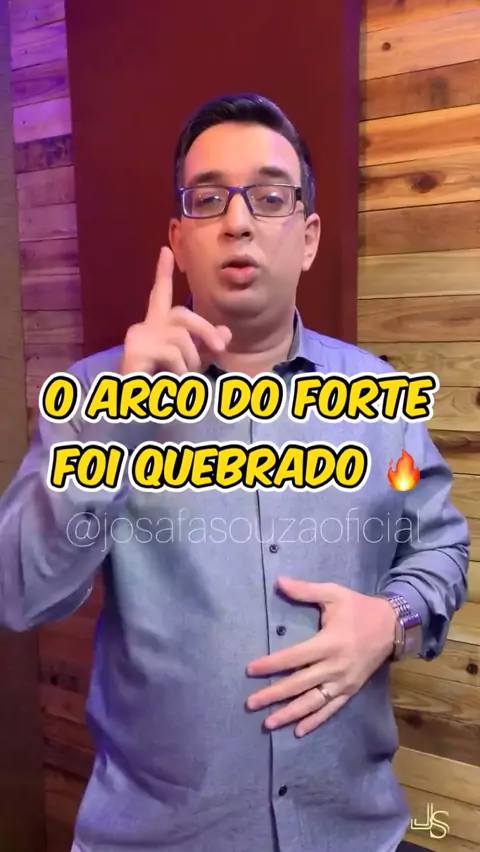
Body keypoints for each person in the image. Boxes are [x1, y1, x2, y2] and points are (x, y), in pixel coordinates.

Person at [0, 93, 469, 852]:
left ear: (308, 238)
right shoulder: (90, 400)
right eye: (209, 198)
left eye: (271, 197)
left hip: (347, 834)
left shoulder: (381, 404)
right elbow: (20, 593)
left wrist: (395, 619)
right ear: (179, 240)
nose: (239, 222)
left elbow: (440, 547)